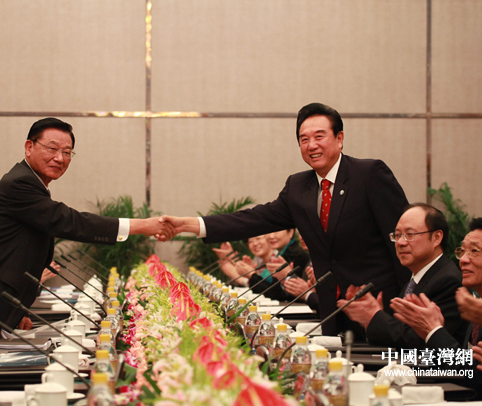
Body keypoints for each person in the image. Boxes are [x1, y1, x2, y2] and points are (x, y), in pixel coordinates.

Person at [161, 102, 409, 336]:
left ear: (339, 138)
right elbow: (252, 220)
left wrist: (406, 305)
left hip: (380, 307)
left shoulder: (368, 174)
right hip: (332, 312)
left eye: (319, 136)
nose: (311, 145)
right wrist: (189, 225)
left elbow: (405, 240)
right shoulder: (298, 187)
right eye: (304, 139)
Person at [0, 118, 174, 350]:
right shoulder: (19, 183)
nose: (59, 158)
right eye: (52, 148)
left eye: (67, 152)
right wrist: (143, 226)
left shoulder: (32, 183)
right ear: (29, 147)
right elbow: (70, 221)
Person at [390, 217, 482, 400]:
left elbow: (478, 380)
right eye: (462, 251)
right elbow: (468, 369)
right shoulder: (480, 302)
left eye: (474, 251)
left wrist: (434, 331)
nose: (463, 260)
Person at [338, 203, 463, 349]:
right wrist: (369, 321)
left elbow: (419, 341)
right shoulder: (417, 279)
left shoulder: (448, 281)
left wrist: (374, 318)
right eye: (397, 235)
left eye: (410, 235)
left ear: (437, 237)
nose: (400, 243)